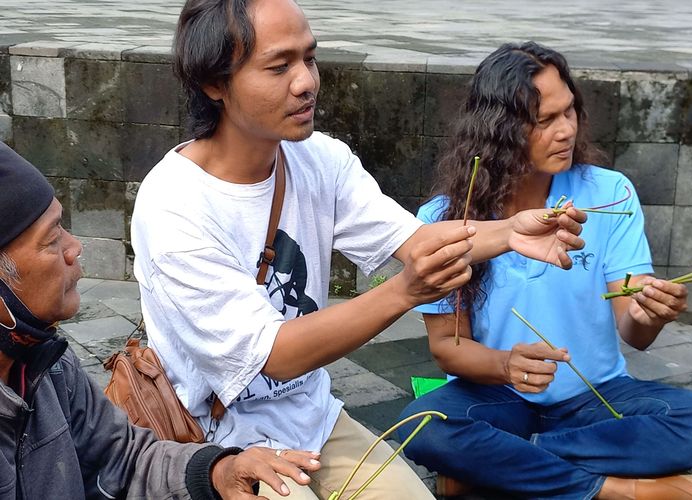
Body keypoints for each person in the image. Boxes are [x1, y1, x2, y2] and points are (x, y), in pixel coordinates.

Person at [130, 2, 588, 499]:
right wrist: (405, 292)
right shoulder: (175, 207)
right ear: (214, 84)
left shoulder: (319, 158)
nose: (306, 82)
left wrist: (510, 232)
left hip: (311, 418)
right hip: (217, 441)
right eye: (279, 66)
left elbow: (414, 242)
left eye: (310, 58)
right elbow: (275, 357)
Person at [396, 41, 692, 500]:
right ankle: (613, 488)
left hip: (596, 396)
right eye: (544, 121)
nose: (566, 132)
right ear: (500, 130)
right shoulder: (443, 219)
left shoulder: (609, 193)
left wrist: (649, 312)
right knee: (423, 426)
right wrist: (505, 365)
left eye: (569, 112)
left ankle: (510, 460)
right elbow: (447, 349)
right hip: (498, 394)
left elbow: (633, 330)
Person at [0, 141, 324, 499]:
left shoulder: (51, 368)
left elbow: (124, 458)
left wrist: (216, 473)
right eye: (51, 240)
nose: (74, 247)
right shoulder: (173, 204)